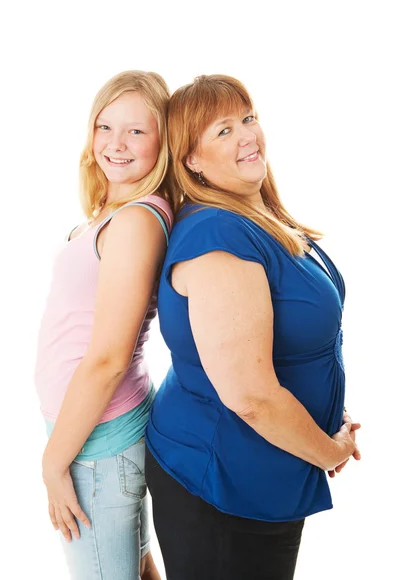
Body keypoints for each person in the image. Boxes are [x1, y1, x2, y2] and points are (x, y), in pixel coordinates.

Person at [145, 74, 361, 580]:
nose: (247, 135)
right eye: (223, 130)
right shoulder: (218, 235)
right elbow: (250, 396)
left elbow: (293, 342)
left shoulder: (255, 216)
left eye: (248, 118)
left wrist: (324, 415)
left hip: (265, 473)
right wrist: (331, 450)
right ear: (191, 160)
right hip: (220, 483)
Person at [35, 70, 176, 580]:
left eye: (137, 131)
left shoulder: (136, 219)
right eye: (105, 126)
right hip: (94, 432)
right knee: (135, 568)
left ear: (164, 140)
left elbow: (109, 357)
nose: (115, 144)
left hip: (96, 442)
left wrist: (54, 463)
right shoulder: (114, 210)